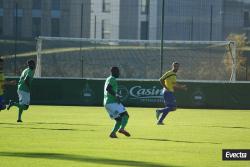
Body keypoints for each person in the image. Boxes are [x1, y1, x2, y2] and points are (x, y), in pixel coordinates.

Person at [104, 67, 130, 138]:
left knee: (119, 120)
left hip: (107, 104)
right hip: (112, 102)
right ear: (113, 72)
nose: (119, 73)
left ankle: (113, 133)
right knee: (126, 115)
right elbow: (108, 89)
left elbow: (109, 89)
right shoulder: (112, 79)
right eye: (117, 72)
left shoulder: (108, 79)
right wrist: (116, 95)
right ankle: (122, 129)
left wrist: (116, 95)